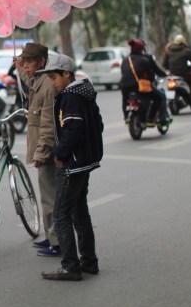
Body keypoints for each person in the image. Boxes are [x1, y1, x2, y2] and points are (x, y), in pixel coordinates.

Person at [37, 54, 103, 281]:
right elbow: (98, 125)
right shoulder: (84, 93)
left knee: (61, 214)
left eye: (54, 77)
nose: (52, 83)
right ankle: (89, 262)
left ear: (67, 74)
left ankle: (70, 266)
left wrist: (59, 153)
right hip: (84, 161)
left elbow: (74, 129)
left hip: (72, 164)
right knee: (79, 212)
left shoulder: (70, 97)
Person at [13, 43, 59, 257]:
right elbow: (28, 79)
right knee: (47, 197)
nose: (26, 66)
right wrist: (19, 68)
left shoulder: (48, 86)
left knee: (50, 199)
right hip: (44, 151)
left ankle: (57, 242)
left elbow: (48, 126)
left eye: (29, 62)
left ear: (41, 62)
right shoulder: (38, 80)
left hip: (48, 152)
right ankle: (51, 236)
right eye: (24, 62)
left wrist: (40, 154)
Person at [119, 38, 169, 124]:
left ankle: (126, 117)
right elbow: (151, 76)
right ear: (141, 49)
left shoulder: (125, 59)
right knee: (159, 97)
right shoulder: (144, 60)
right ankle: (151, 118)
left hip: (124, 86)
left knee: (125, 100)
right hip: (138, 86)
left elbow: (123, 72)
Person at [162, 34, 191, 101]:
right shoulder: (187, 51)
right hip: (183, 74)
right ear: (184, 42)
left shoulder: (168, 50)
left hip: (172, 74)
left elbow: (164, 64)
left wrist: (170, 69)